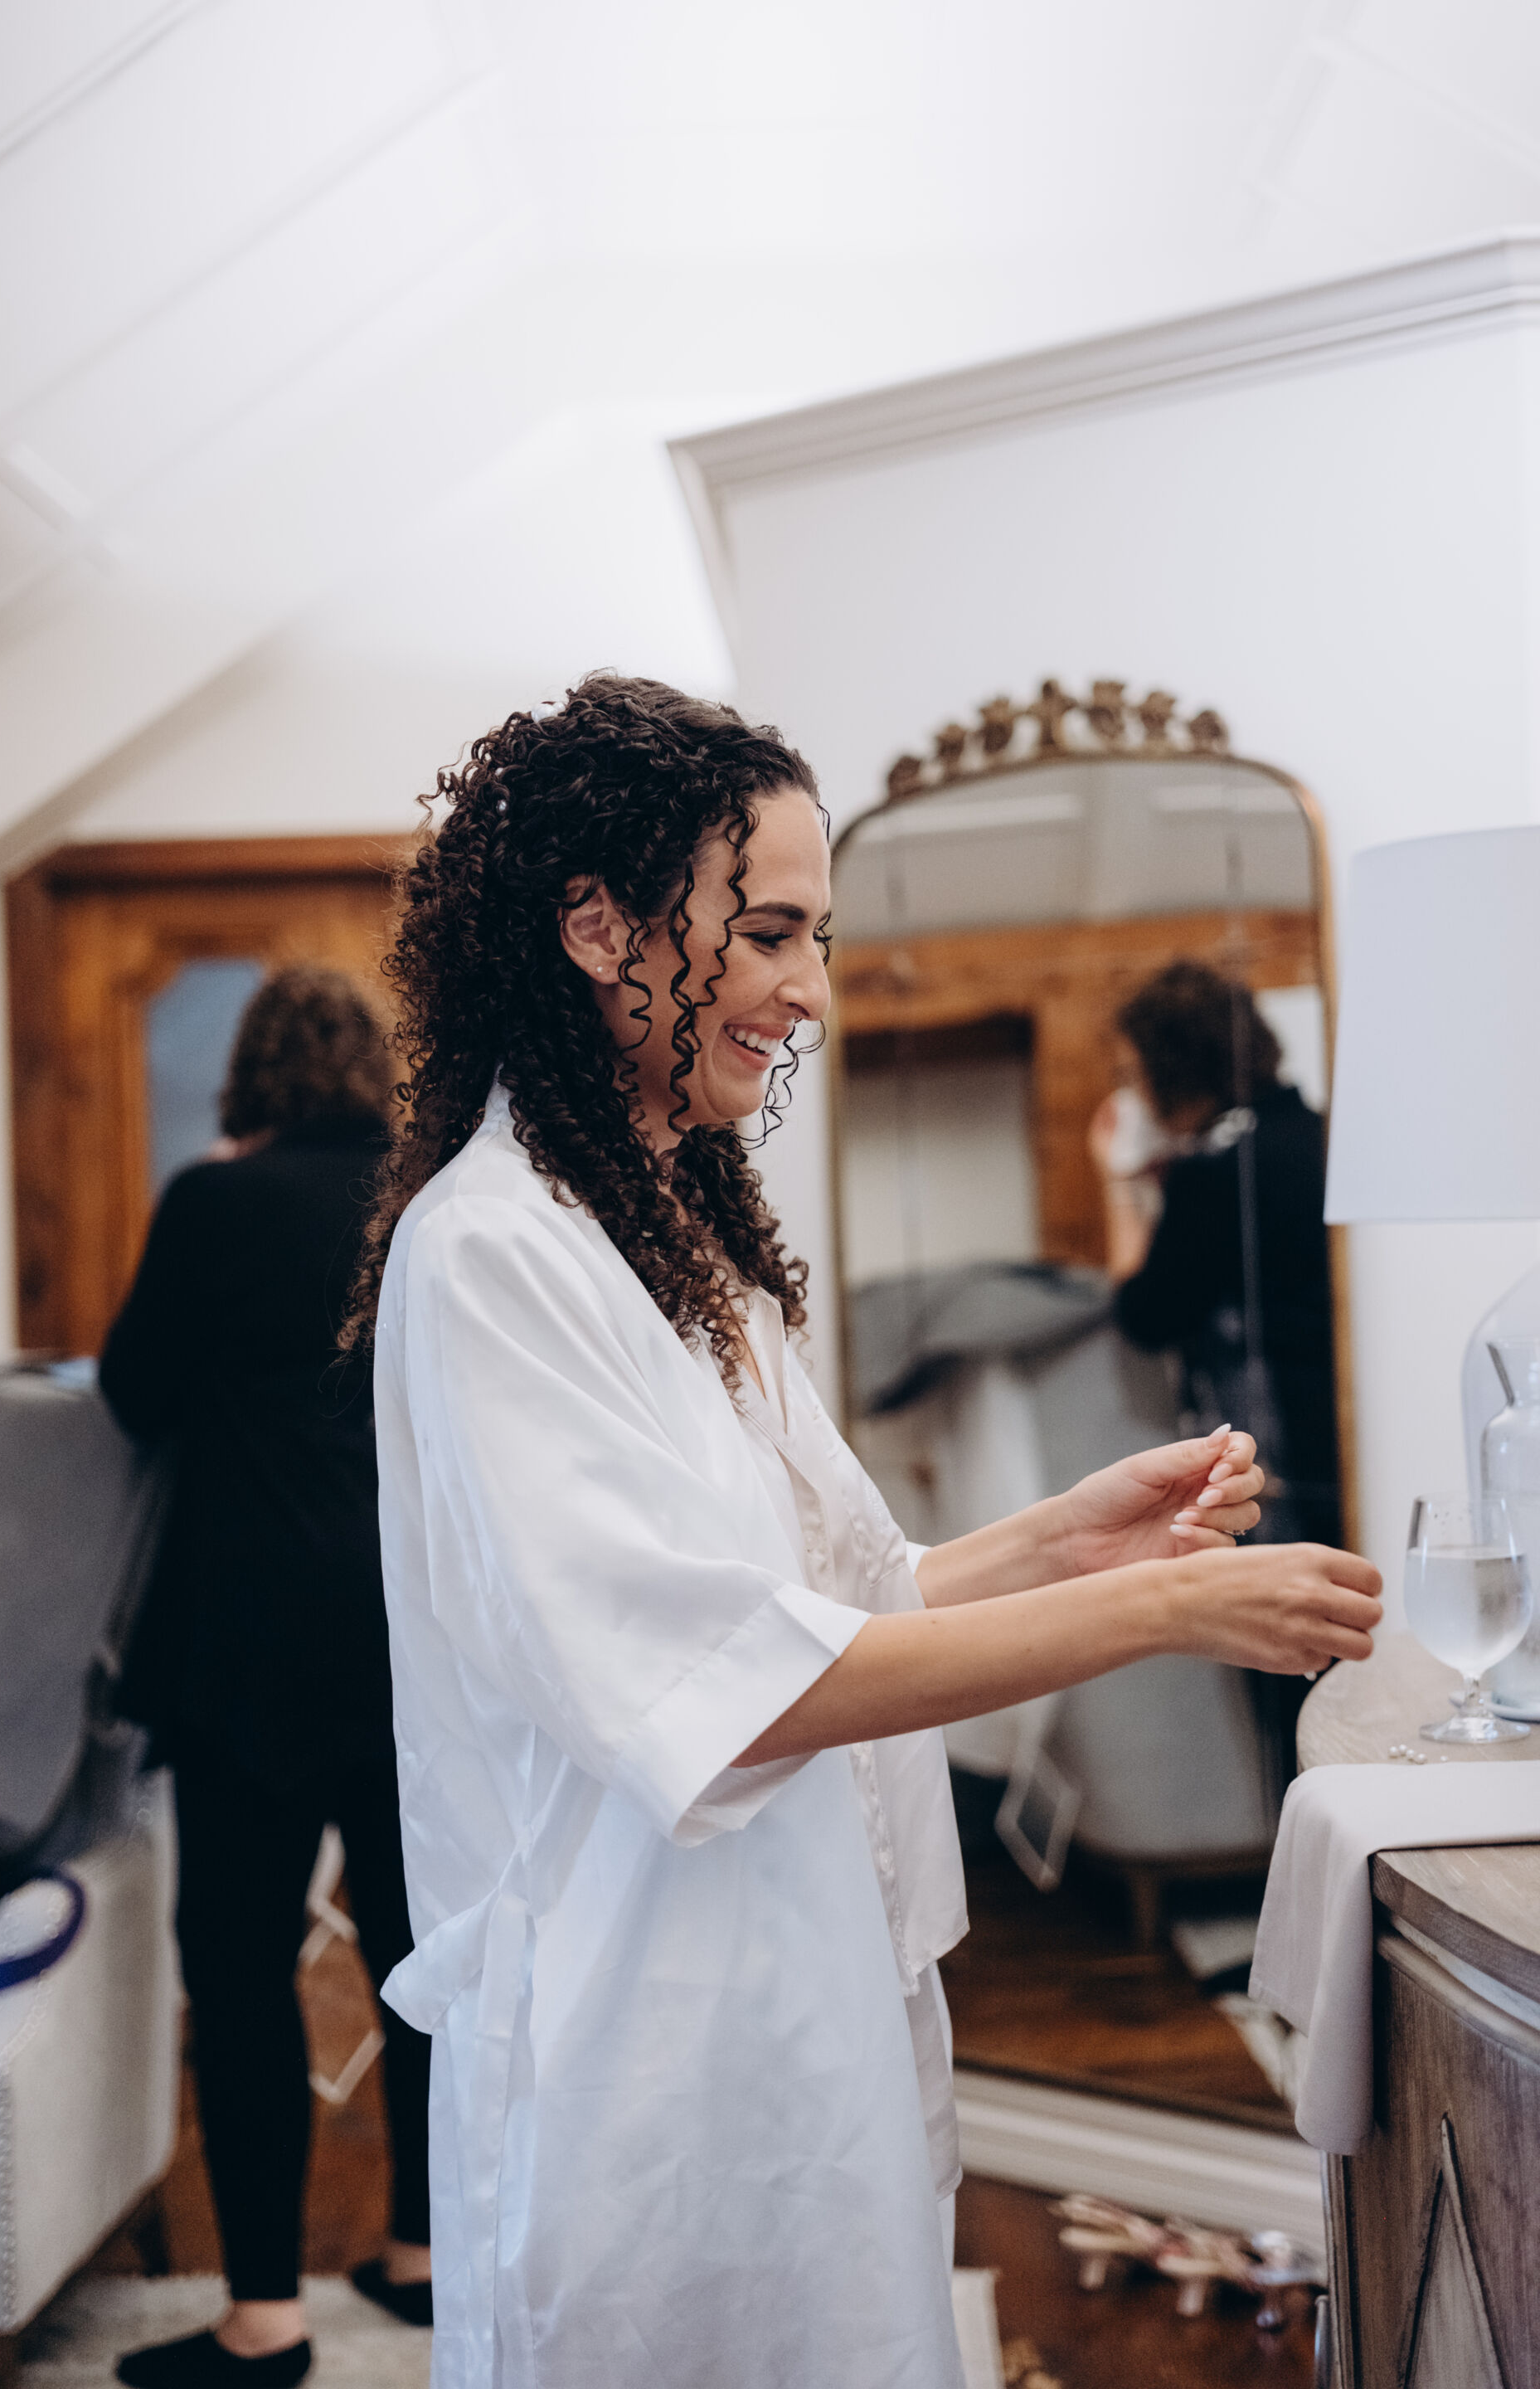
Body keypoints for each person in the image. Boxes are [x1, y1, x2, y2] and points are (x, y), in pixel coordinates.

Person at [349, 675, 1381, 2389]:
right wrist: (1166, 1622)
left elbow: (834, 1602)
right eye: (767, 934)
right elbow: (735, 1692)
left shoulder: (679, 1246)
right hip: (651, 2051)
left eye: (815, 940)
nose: (810, 992)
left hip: (809, 1998)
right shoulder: (492, 1259)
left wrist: (1072, 1544)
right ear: (598, 928)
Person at [100, 966, 431, 2389]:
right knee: (427, 1964)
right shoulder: (429, 1203)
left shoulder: (214, 1204)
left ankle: (263, 2320)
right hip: (419, 1645)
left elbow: (134, 1394)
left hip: (244, 1649)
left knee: (239, 1975)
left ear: (252, 1082)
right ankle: (423, 2256)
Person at [1089, 960, 1341, 1551]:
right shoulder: (1314, 1131)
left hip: (1281, 1448)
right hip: (1334, 1426)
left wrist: (1115, 1183)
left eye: (1133, 1074)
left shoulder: (1214, 1172)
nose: (1134, 1094)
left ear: (1170, 1069)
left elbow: (1147, 1316)